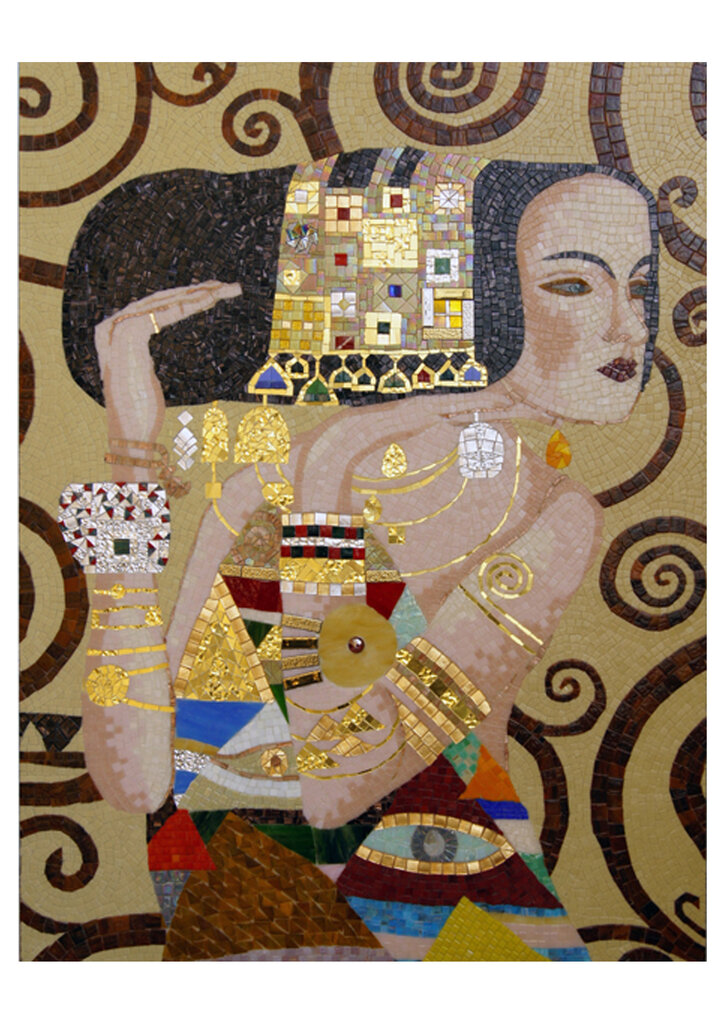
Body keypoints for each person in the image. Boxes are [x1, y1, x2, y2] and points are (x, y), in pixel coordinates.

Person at [58, 151, 659, 960]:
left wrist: (331, 474)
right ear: (475, 295)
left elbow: (335, 786)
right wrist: (132, 447)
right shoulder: (258, 492)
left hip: (452, 941)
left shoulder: (549, 514)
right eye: (575, 284)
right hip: (231, 936)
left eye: (641, 287)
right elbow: (135, 779)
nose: (630, 329)